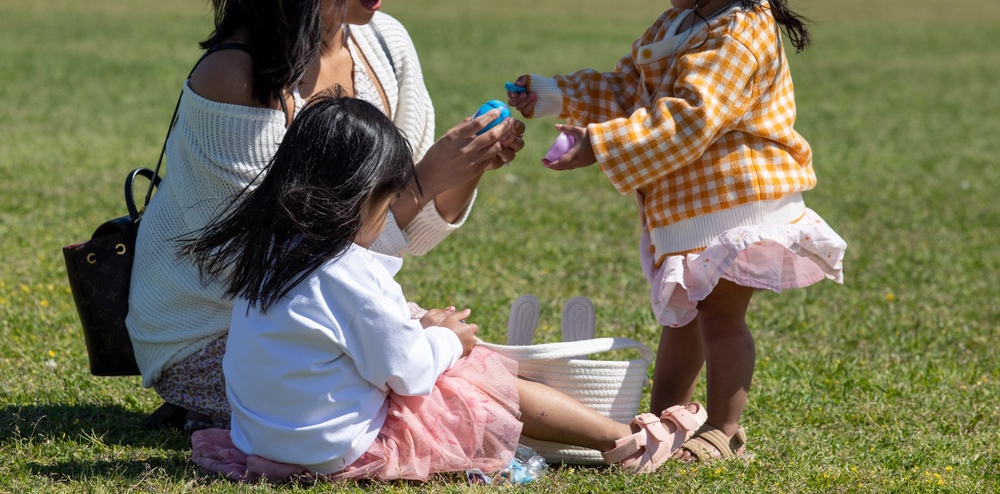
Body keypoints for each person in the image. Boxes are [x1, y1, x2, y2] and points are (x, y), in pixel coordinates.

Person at [127, 0, 526, 433]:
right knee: (447, 391)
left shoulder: (385, 42)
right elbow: (279, 261)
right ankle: (626, 439)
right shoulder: (233, 77)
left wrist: (460, 173)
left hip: (330, 309)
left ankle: (626, 432)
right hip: (218, 329)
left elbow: (403, 237)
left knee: (476, 365)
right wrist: (428, 177)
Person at [506, 0, 846, 463]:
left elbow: (688, 119)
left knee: (718, 316)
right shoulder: (676, 25)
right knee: (682, 317)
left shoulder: (741, 29)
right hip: (694, 202)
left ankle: (725, 427)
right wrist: (556, 95)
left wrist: (597, 145)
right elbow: (626, 88)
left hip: (738, 202)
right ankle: (666, 417)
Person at [185, 94, 709, 481]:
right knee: (475, 372)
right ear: (357, 197)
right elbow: (409, 374)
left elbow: (336, 340)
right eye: (387, 200)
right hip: (334, 450)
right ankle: (624, 440)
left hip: (265, 444)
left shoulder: (272, 254)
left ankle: (611, 436)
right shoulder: (349, 271)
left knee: (451, 363)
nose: (390, 213)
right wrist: (445, 340)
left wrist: (417, 331)